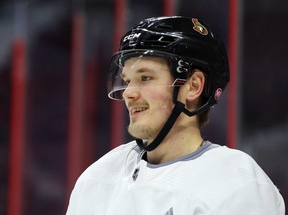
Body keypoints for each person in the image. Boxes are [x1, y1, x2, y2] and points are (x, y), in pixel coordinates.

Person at [66, 16, 285, 214]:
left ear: (193, 86)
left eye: (145, 78)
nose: (129, 93)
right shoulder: (98, 178)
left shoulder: (237, 186)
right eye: (128, 80)